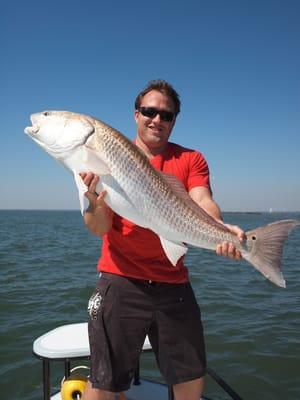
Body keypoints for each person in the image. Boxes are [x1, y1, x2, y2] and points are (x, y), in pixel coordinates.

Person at [81, 80, 245, 400]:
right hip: (121, 279)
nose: (157, 120)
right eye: (149, 111)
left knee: (191, 380)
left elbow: (202, 200)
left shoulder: (191, 159)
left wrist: (222, 229)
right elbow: (99, 228)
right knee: (104, 383)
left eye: (166, 115)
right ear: (136, 114)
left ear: (174, 121)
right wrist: (93, 197)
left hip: (173, 283)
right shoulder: (100, 159)